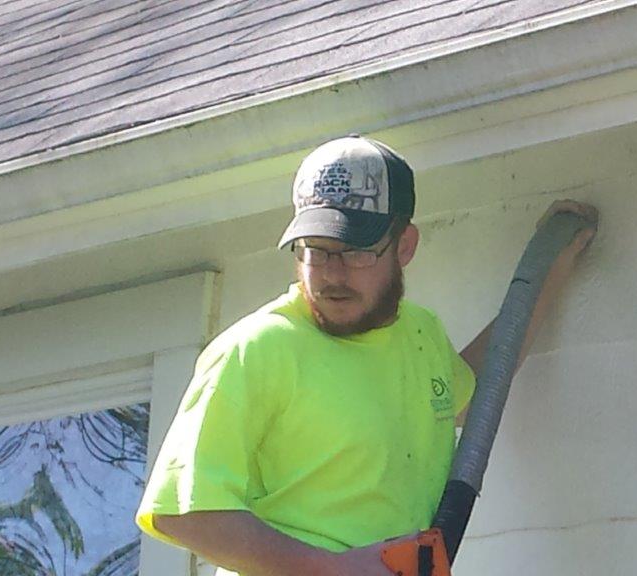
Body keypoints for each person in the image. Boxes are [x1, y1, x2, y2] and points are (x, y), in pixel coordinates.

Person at [135, 134, 598, 576]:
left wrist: (549, 264)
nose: (333, 275)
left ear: (406, 246)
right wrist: (333, 571)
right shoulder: (257, 349)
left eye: (356, 252)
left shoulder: (419, 336)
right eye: (317, 251)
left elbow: (478, 394)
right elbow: (184, 513)